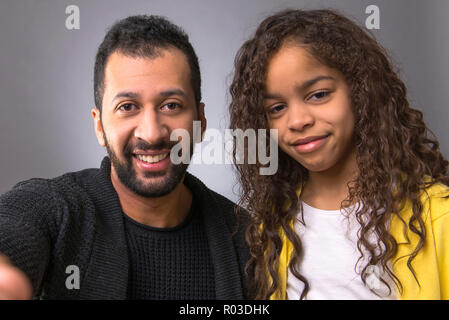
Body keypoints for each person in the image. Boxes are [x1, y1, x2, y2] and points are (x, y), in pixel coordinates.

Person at [0, 15, 250, 300]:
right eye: (127, 106)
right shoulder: (55, 209)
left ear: (201, 121)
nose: (152, 133)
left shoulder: (249, 239)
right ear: (99, 126)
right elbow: (14, 225)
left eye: (171, 105)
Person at [229, 9, 449, 300]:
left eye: (318, 94)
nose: (298, 120)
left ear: (360, 92)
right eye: (277, 108)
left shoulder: (436, 217)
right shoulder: (272, 227)